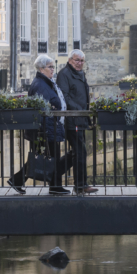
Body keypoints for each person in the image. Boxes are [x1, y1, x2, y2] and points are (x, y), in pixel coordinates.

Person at [8, 55, 70, 196]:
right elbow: (43, 107)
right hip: (46, 129)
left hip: (48, 128)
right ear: (42, 69)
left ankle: (19, 180)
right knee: (45, 158)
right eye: (50, 67)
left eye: (53, 67)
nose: (52, 70)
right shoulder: (40, 84)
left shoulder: (46, 83)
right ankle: (54, 186)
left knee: (43, 158)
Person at [57, 49, 99, 195]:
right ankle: (80, 186)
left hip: (80, 118)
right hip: (71, 119)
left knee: (76, 152)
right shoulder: (64, 74)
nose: (79, 63)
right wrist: (79, 110)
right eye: (77, 60)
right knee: (80, 151)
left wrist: (85, 112)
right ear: (70, 60)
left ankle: (53, 175)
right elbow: (65, 98)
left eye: (81, 61)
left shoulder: (80, 74)